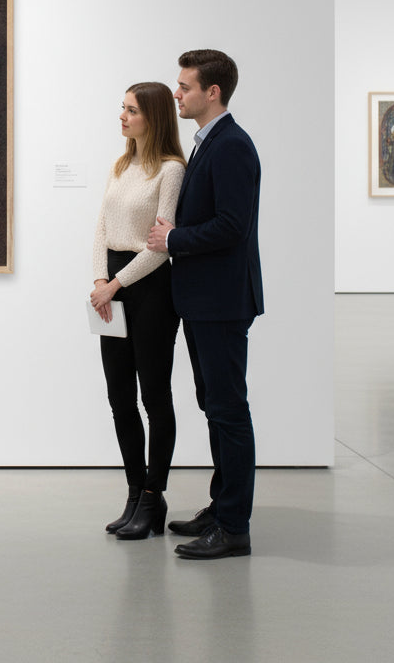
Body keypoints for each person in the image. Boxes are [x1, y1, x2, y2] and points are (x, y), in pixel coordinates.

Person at [147, 49, 263, 560]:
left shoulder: (232, 145)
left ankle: (234, 526)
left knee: (228, 410)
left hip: (220, 301)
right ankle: (221, 508)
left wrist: (174, 238)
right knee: (216, 407)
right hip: (203, 301)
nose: (177, 93)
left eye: (185, 86)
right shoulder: (208, 142)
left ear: (211, 92)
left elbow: (232, 226)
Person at [89, 82, 186, 540]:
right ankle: (133, 492)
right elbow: (101, 229)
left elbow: (161, 248)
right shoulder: (121, 164)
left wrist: (115, 284)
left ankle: (154, 497)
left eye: (131, 110)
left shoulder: (170, 171)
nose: (122, 117)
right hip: (112, 284)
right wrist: (98, 282)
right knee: (118, 397)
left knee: (154, 396)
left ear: (154, 117)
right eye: (122, 109)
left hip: (150, 289)